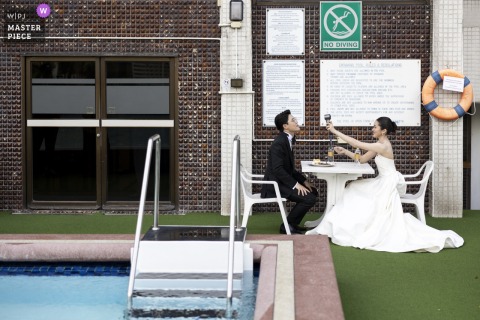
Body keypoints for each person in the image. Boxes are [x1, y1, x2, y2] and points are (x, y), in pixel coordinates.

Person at [306, 117, 464, 253]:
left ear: (383, 130)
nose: (372, 129)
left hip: (386, 183)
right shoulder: (379, 144)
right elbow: (361, 159)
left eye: (375, 126)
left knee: (354, 189)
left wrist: (334, 130)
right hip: (382, 180)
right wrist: (344, 152)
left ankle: (351, 228)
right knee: (352, 187)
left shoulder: (383, 146)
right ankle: (343, 225)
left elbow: (357, 144)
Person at [261, 110, 319, 234]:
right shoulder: (279, 143)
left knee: (312, 192)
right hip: (275, 185)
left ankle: (292, 224)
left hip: (282, 182)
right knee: (309, 198)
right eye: (293, 120)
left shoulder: (288, 139)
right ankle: (286, 226)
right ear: (285, 126)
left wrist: (304, 181)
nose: (297, 121)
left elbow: (290, 169)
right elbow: (278, 170)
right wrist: (296, 185)